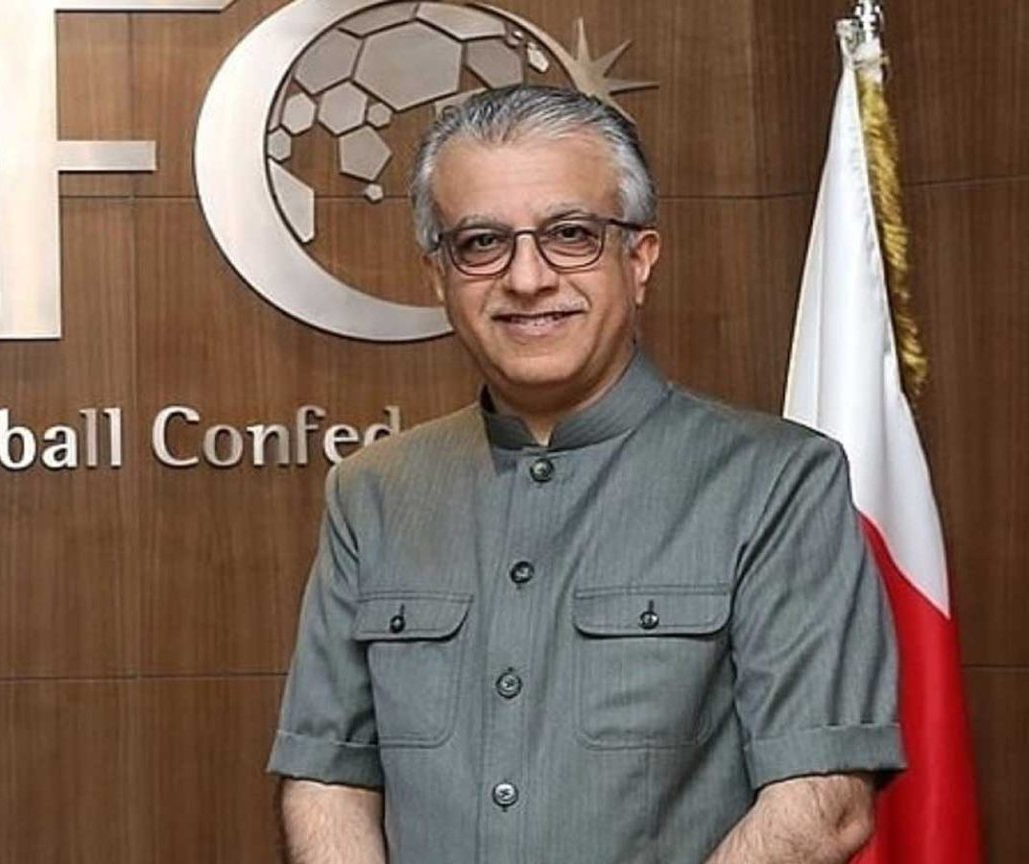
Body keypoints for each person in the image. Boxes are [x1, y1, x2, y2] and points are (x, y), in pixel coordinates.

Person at [266, 84, 905, 864]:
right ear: (439, 276)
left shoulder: (777, 484)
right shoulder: (372, 492)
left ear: (639, 260)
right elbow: (327, 779)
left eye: (570, 235)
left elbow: (821, 803)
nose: (527, 277)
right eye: (481, 242)